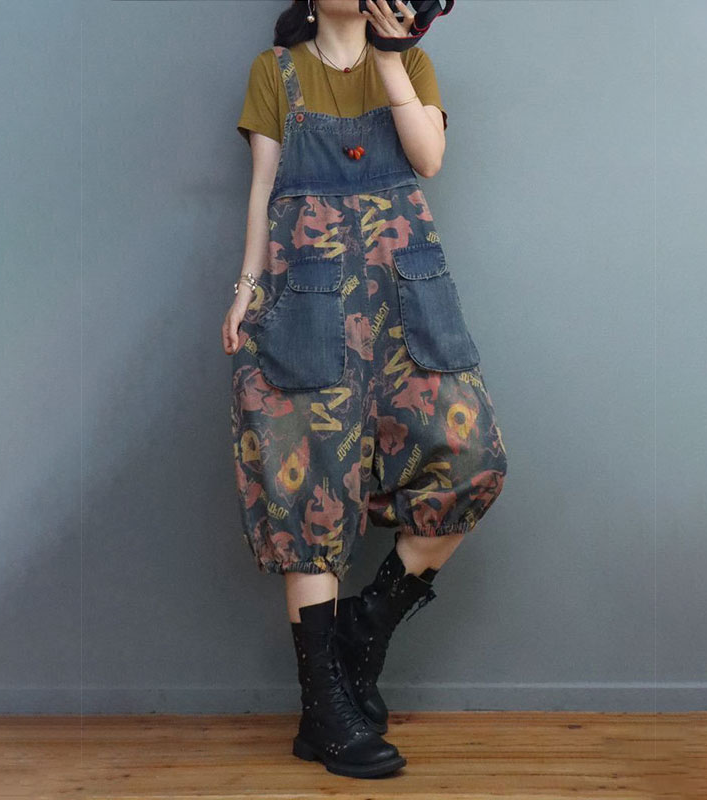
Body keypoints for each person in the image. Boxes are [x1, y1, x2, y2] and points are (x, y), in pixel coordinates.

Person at [222, 0, 508, 780]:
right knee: (308, 487)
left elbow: (428, 158)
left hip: (404, 299)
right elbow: (263, 189)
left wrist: (390, 53)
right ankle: (325, 711)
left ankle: (362, 631)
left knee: (472, 460)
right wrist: (246, 288)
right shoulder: (275, 72)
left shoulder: (409, 61)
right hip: (305, 299)